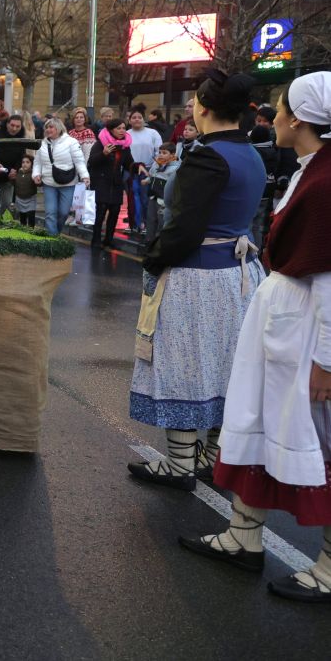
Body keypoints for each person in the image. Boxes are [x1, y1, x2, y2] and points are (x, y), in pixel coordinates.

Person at [181, 72, 331, 602]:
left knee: (318, 437)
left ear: (302, 119)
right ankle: (243, 534)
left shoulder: (327, 180)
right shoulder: (307, 168)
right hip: (285, 316)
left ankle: (330, 568)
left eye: (283, 106)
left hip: (307, 326)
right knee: (257, 418)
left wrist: (327, 361)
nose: (275, 113)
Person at [128, 69, 266, 492]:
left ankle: (180, 463)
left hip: (198, 275)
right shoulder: (252, 154)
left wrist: (153, 260)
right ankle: (209, 456)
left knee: (184, 363)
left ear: (203, 108)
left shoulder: (208, 156)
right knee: (227, 367)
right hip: (238, 276)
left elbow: (185, 227)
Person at [32, 117, 89, 236]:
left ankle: (56, 233)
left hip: (67, 183)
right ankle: (52, 239)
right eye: (46, 127)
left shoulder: (71, 142)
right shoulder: (42, 144)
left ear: (58, 128)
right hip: (48, 183)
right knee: (50, 213)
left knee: (63, 212)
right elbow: (38, 162)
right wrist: (36, 174)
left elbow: (79, 161)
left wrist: (84, 176)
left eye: (51, 127)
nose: (48, 129)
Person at [87, 120, 131, 251]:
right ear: (111, 130)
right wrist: (103, 154)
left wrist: (138, 167)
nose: (122, 130)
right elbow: (91, 162)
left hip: (116, 183)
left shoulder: (124, 146)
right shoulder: (101, 143)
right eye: (119, 128)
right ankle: (96, 240)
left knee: (114, 212)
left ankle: (109, 240)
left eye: (124, 128)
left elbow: (129, 163)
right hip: (101, 182)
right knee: (101, 212)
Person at [125, 110, 162, 234]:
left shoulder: (152, 133)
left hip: (148, 169)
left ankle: (146, 224)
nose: (136, 119)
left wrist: (154, 169)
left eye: (139, 117)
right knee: (133, 198)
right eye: (133, 117)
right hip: (131, 171)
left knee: (145, 199)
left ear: (143, 119)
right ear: (129, 120)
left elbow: (159, 151)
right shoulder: (125, 134)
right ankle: (135, 224)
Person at [145, 142, 180, 244]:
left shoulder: (176, 168)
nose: (160, 155)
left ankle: (159, 243)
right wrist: (147, 179)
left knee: (162, 221)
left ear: (173, 155)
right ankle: (149, 240)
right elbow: (152, 174)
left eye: (164, 153)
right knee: (151, 219)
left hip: (163, 199)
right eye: (160, 152)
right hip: (153, 195)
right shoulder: (157, 163)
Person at [13, 155, 38, 227]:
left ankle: (31, 232)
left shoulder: (34, 174)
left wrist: (38, 180)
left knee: (31, 218)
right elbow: (14, 184)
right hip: (20, 199)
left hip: (31, 199)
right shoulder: (18, 173)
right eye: (23, 162)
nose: (25, 164)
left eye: (27, 162)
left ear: (31, 164)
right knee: (22, 219)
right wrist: (11, 178)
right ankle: (23, 233)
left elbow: (38, 183)